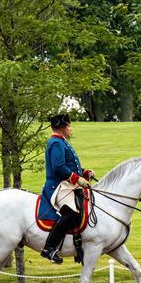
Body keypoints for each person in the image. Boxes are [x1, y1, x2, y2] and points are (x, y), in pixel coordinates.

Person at [39, 113, 95, 263]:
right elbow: (58, 167)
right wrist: (77, 179)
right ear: (62, 128)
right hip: (59, 185)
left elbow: (70, 165)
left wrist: (84, 173)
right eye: (69, 126)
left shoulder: (62, 142)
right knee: (72, 214)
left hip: (68, 184)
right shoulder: (56, 143)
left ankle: (78, 246)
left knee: (84, 207)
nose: (71, 128)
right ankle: (49, 248)